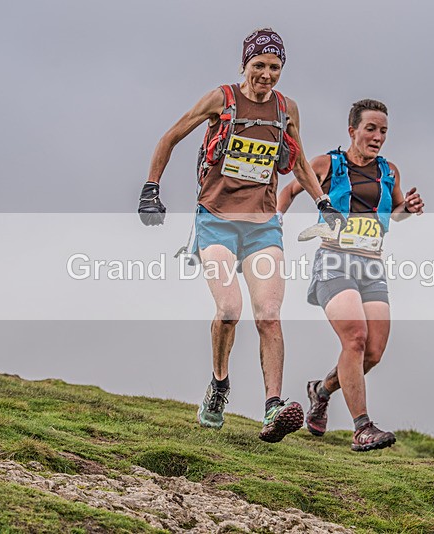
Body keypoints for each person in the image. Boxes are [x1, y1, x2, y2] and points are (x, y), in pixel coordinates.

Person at [138, 28, 344, 443]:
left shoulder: (288, 109)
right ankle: (218, 386)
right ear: (244, 65)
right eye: (259, 66)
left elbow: (299, 161)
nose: (266, 75)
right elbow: (170, 136)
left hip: (263, 225)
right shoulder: (222, 99)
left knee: (268, 313)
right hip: (215, 220)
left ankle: (273, 407)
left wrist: (322, 201)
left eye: (274, 68)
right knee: (229, 309)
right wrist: (151, 188)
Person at [277, 99, 424, 451]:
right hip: (334, 260)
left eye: (383, 131)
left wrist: (409, 209)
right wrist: (274, 222)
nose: (377, 137)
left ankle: (321, 390)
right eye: (370, 129)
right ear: (352, 131)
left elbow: (396, 212)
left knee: (372, 352)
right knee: (355, 338)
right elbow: (289, 190)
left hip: (371, 265)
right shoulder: (327, 164)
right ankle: (363, 428)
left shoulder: (389, 171)